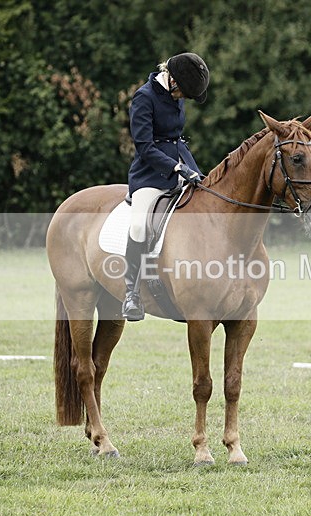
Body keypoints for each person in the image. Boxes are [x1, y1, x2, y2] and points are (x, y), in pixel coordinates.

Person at [122, 52, 209, 321]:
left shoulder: (176, 94)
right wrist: (174, 167)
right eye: (182, 91)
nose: (182, 97)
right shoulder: (144, 97)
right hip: (150, 175)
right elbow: (145, 146)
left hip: (181, 167)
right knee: (139, 225)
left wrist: (193, 170)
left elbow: (176, 140)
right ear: (171, 79)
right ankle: (131, 293)